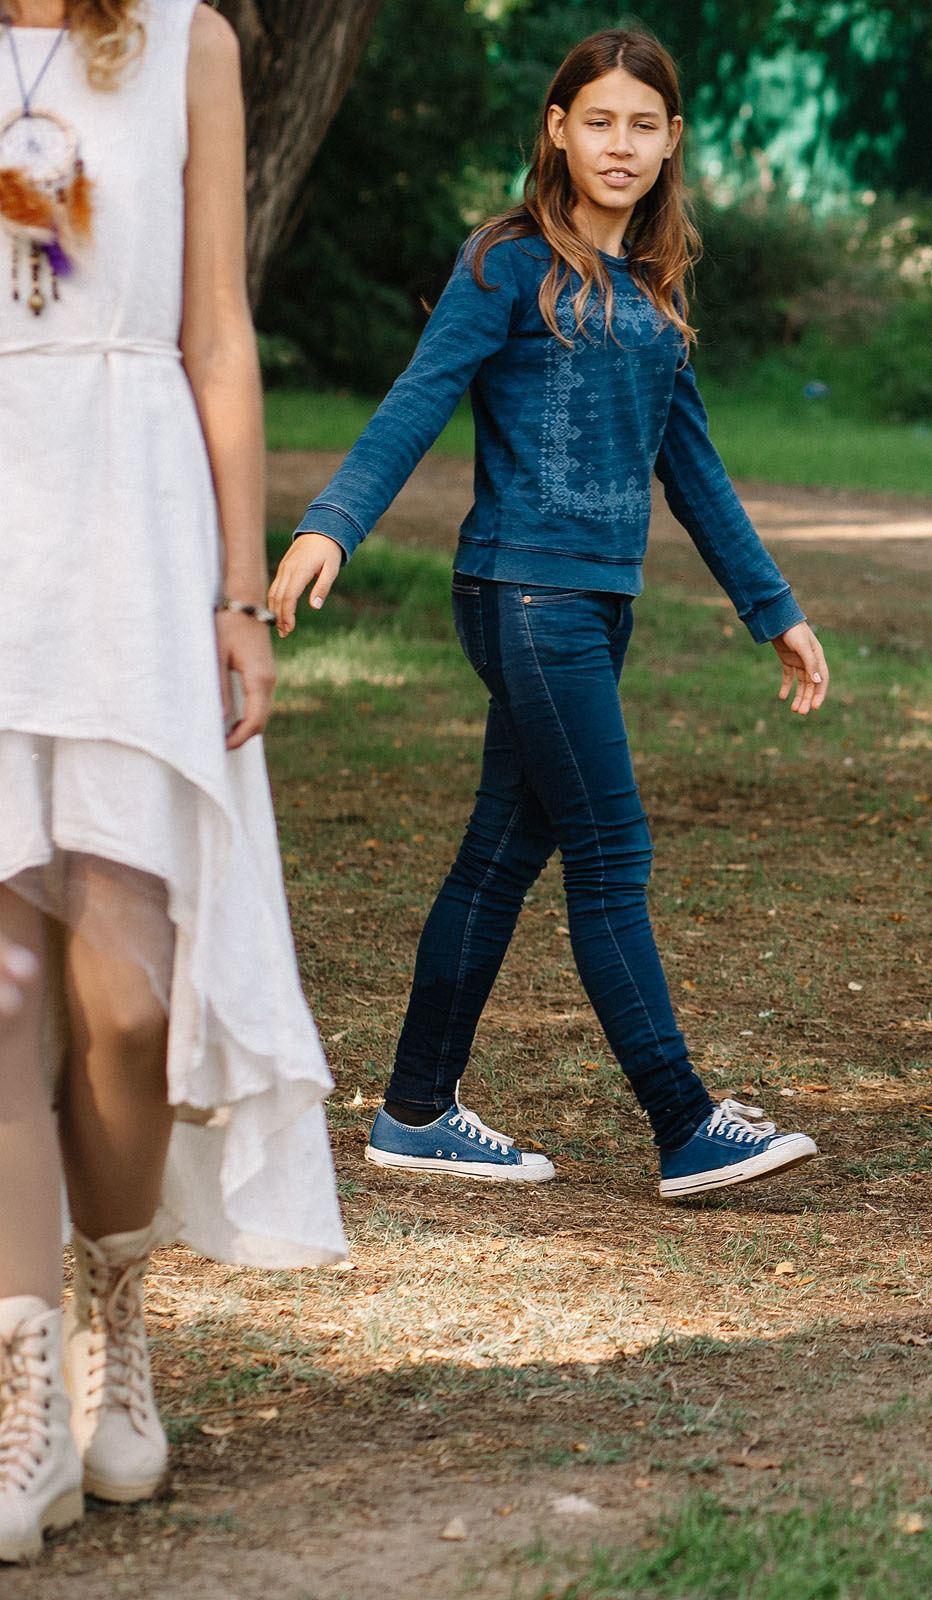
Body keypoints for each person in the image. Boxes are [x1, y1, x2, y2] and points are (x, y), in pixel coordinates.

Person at [268, 29, 827, 1203]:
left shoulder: (657, 288)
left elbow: (696, 467)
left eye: (643, 125)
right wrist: (333, 522)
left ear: (673, 141)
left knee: (502, 850)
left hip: (596, 605)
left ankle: (416, 1110)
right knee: (611, 852)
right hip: (523, 596)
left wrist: (771, 607)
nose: (619, 145)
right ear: (558, 131)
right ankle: (684, 1121)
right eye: (598, 121)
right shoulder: (507, 263)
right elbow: (421, 396)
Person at [0, 0, 346, 1559]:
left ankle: (115, 1307)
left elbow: (215, 328)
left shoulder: (185, 35)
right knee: (4, 998)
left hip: (132, 538)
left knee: (126, 999)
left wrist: (236, 591)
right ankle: (22, 1403)